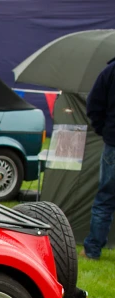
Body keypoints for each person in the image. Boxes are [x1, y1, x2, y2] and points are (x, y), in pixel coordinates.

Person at [82, 58, 115, 260]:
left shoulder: (110, 71)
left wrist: (105, 130)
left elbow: (94, 105)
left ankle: (92, 251)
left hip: (113, 143)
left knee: (105, 200)